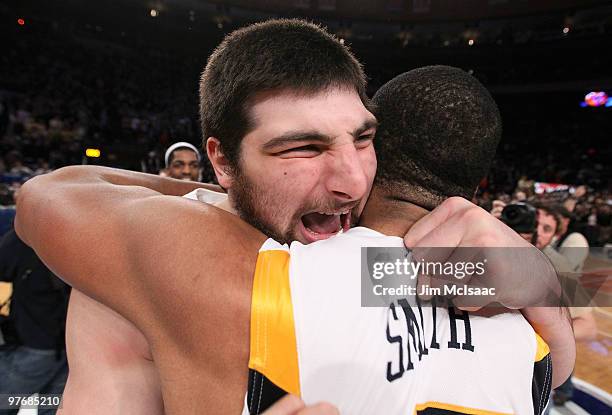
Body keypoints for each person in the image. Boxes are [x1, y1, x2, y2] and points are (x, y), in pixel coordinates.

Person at [17, 62, 573, 414]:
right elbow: (396, 283)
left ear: (370, 149)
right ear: (478, 183)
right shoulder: (532, 335)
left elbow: (50, 193)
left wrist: (225, 183)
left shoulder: (252, 269)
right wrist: (538, 275)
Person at [0, 229, 70, 415]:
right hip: (69, 352)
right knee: (50, 407)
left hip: (33, 349)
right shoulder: (76, 240)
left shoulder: (22, 239)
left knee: (4, 400)